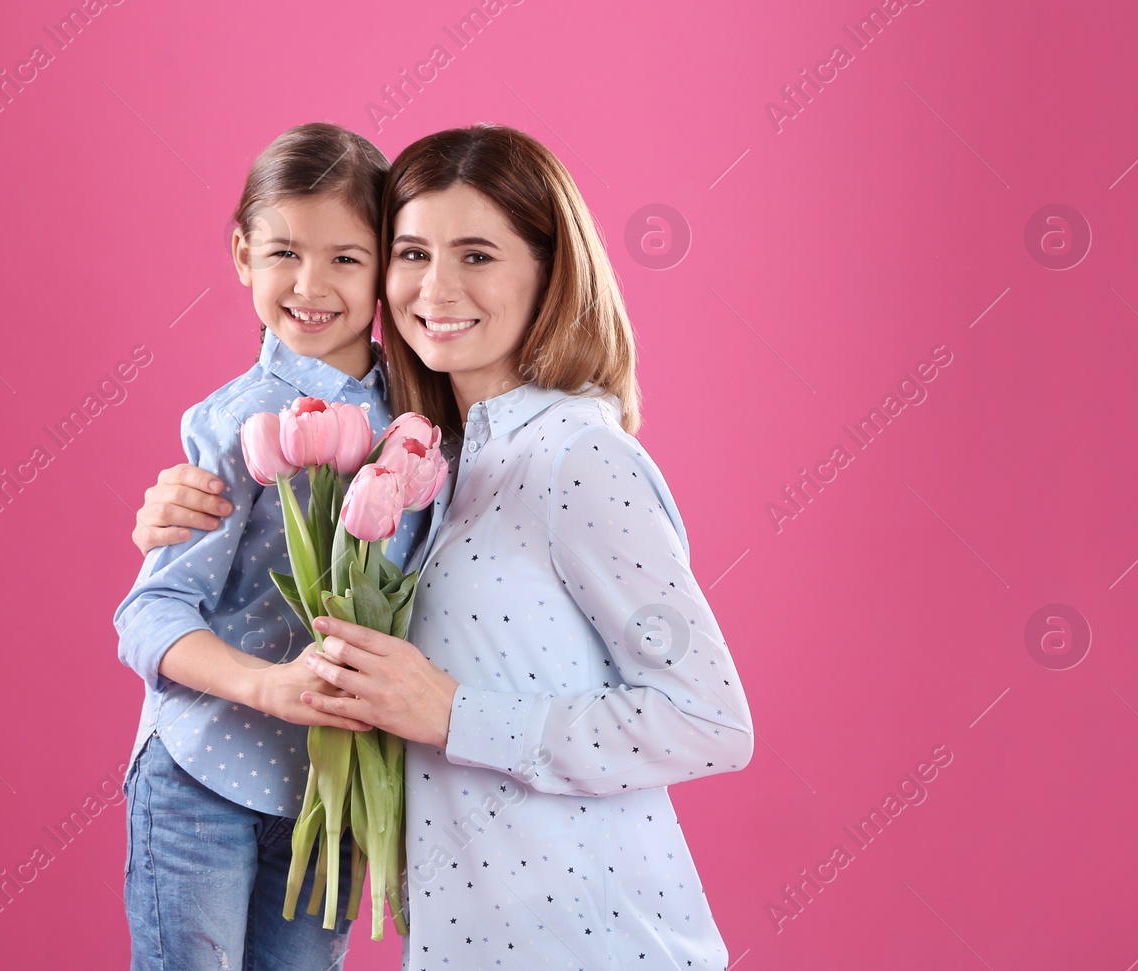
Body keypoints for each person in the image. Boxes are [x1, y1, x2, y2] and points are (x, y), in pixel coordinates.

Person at [131, 124, 754, 969]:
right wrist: (187, 503)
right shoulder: (435, 459)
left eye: (478, 255)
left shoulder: (579, 456)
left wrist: (454, 714)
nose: (437, 287)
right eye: (413, 252)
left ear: (549, 270)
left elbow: (708, 720)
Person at [114, 121, 433, 971]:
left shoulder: (424, 423)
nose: (310, 284)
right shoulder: (235, 424)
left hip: (330, 800)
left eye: (345, 258)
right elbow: (147, 614)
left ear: (385, 269)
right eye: (284, 251)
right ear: (242, 253)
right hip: (200, 778)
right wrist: (269, 685)